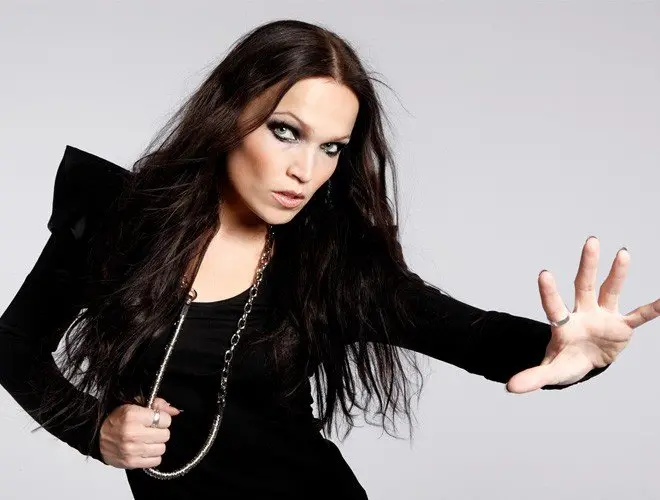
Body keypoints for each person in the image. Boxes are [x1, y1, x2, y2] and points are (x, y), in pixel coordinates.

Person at [1, 19, 657, 499]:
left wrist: (568, 353)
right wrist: (95, 431)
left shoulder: (332, 266)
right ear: (228, 116)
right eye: (286, 132)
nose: (305, 171)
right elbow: (13, 346)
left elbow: (470, 333)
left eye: (331, 148)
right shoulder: (116, 221)